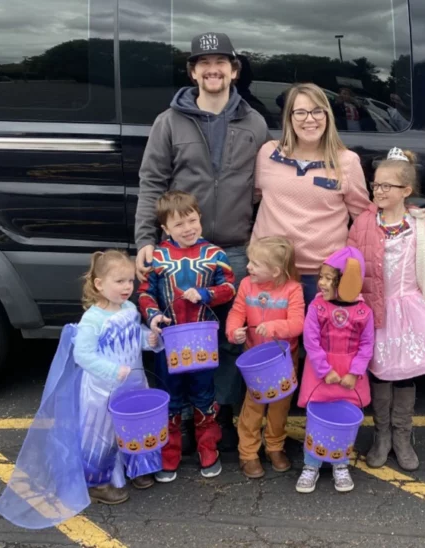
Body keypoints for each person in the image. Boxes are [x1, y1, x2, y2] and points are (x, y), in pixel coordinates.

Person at [134, 32, 271, 449]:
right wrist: (145, 239)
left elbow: (261, 188)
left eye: (221, 62)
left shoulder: (254, 122)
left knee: (230, 338)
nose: (213, 69)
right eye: (204, 63)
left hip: (232, 249)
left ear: (234, 70)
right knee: (180, 337)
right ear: (193, 72)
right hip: (179, 255)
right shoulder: (169, 122)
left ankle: (220, 413)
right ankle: (186, 416)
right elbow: (152, 183)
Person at [0, 251, 162, 528]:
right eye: (119, 281)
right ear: (99, 284)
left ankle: (137, 468)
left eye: (130, 281)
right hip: (102, 390)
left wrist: (151, 339)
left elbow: (136, 338)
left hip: (132, 383)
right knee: (102, 434)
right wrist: (111, 371)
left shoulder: (130, 310)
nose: (126, 287)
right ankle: (97, 482)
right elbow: (83, 356)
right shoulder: (93, 320)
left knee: (134, 426)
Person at [347, 147, 425, 471]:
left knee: (406, 374)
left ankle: (402, 435)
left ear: (406, 191)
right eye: (375, 185)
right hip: (377, 309)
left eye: (386, 186)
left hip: (410, 309)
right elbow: (353, 270)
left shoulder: (420, 225)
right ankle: (381, 435)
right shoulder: (363, 224)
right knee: (380, 372)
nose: (378, 191)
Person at [138, 191, 236, 482]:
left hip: (203, 343)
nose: (188, 228)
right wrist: (154, 316)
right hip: (169, 342)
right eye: (179, 224)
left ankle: (208, 449)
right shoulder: (157, 257)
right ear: (165, 228)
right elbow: (145, 293)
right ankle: (169, 453)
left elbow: (229, 288)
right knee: (170, 398)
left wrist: (206, 294)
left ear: (200, 218)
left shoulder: (215, 254)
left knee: (204, 394)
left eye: (192, 220)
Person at [252, 83, 371, 308]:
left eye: (318, 111)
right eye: (300, 112)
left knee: (319, 342)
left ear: (327, 115)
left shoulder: (347, 161)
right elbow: (251, 198)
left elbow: (363, 217)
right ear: (289, 117)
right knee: (271, 340)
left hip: (323, 276)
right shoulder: (268, 153)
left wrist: (405, 216)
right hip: (271, 271)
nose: (310, 119)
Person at [295, 247, 374, 493]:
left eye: (329, 278)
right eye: (322, 276)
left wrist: (355, 372)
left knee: (344, 421)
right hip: (322, 374)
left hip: (350, 374)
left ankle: (341, 463)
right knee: (317, 418)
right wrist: (323, 369)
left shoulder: (364, 312)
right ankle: (311, 464)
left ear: (348, 282)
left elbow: (367, 344)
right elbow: (311, 340)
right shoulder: (316, 307)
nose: (321, 283)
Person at [226, 237, 305, 479]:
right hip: (255, 361)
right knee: (253, 405)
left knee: (280, 406)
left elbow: (297, 323)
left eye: (255, 264)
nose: (248, 267)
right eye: (250, 261)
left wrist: (274, 327)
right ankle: (248, 452)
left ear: (275, 271)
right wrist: (233, 331)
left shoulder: (293, 289)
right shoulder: (247, 285)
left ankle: (274, 446)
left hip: (283, 359)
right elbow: (237, 311)